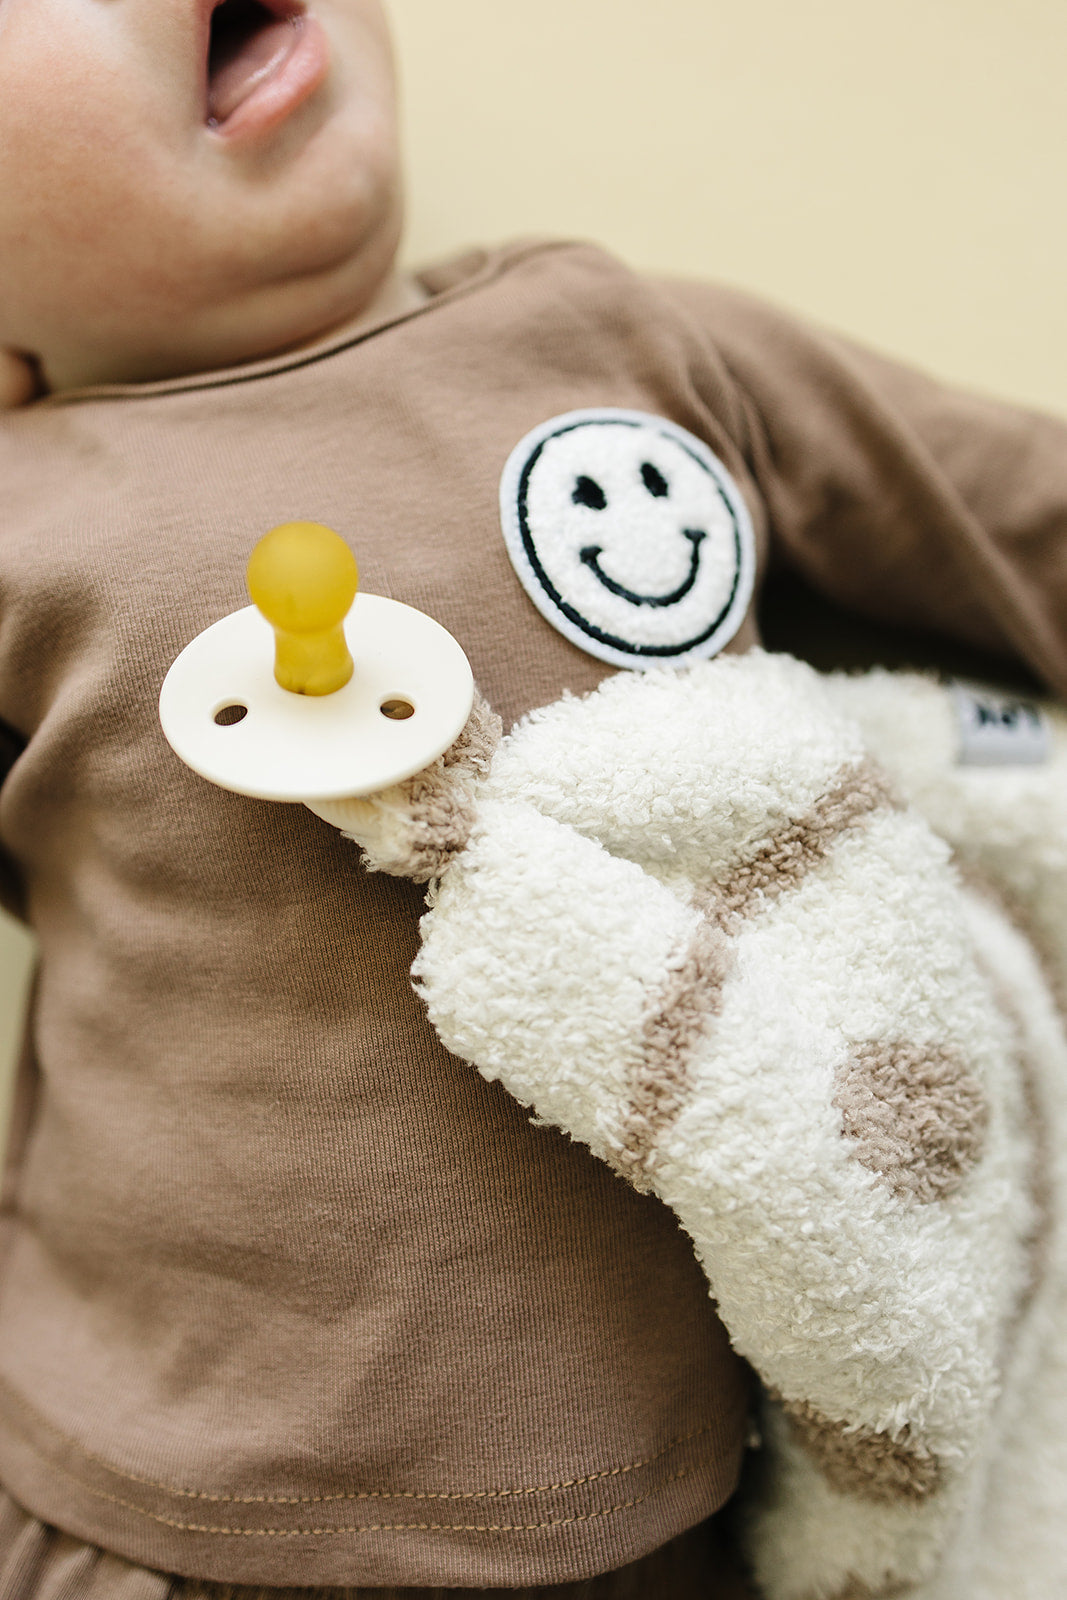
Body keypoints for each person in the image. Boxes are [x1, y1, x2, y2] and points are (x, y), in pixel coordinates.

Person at [0, 3, 1065, 1598]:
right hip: (160, 1513)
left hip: (669, 1510)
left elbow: (1024, 525)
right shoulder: (24, 515)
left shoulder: (626, 344)